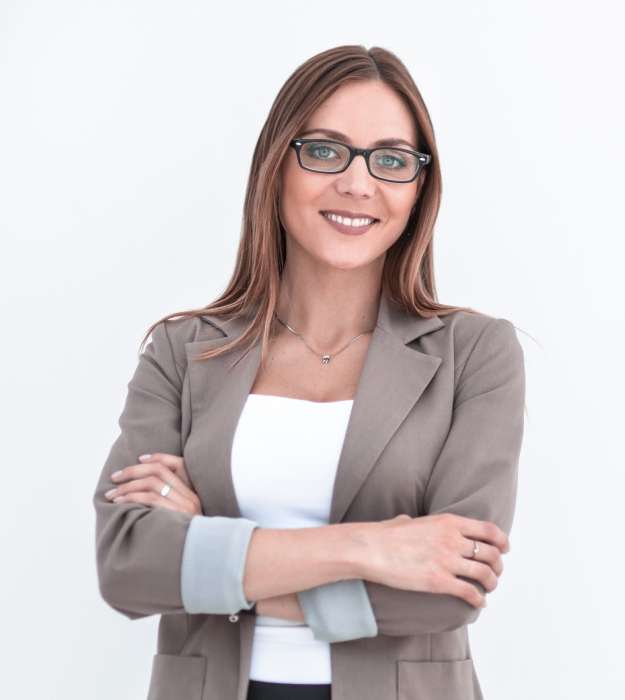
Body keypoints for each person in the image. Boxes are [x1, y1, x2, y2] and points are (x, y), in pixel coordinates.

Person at [93, 44, 526, 700]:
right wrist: (369, 549)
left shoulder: (474, 354)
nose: (357, 184)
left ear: (418, 189)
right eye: (324, 150)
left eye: (391, 160)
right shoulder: (183, 350)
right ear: (276, 166)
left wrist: (210, 561)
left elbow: (449, 589)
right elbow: (128, 565)